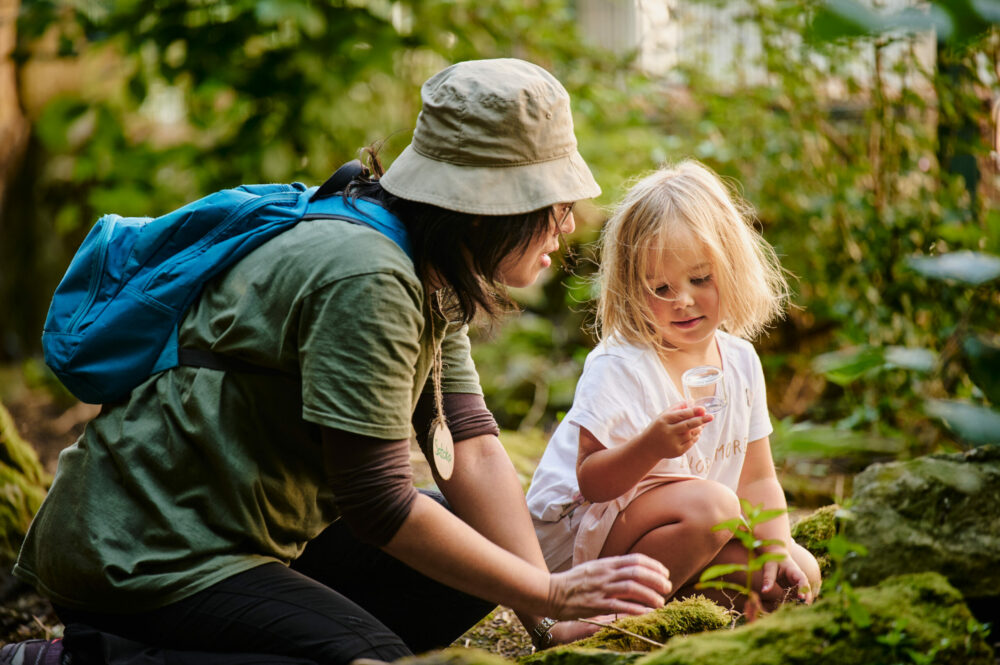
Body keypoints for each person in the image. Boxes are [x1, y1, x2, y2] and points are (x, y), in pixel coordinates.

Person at [3, 59, 671, 665]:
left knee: (477, 545)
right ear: (482, 211)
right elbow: (379, 502)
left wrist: (547, 616)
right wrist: (549, 585)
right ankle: (82, 660)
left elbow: (472, 447)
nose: (569, 221)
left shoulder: (431, 264)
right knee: (369, 659)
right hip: (149, 552)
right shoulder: (367, 275)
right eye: (549, 202)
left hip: (253, 537)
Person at [526, 160, 820, 613]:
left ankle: (671, 618)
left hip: (682, 531)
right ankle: (600, 620)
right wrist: (651, 446)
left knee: (794, 577)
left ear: (733, 267)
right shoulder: (620, 364)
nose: (682, 300)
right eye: (660, 287)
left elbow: (758, 478)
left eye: (700, 279)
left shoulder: (740, 360)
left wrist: (777, 547)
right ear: (630, 287)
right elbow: (592, 481)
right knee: (714, 507)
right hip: (585, 544)